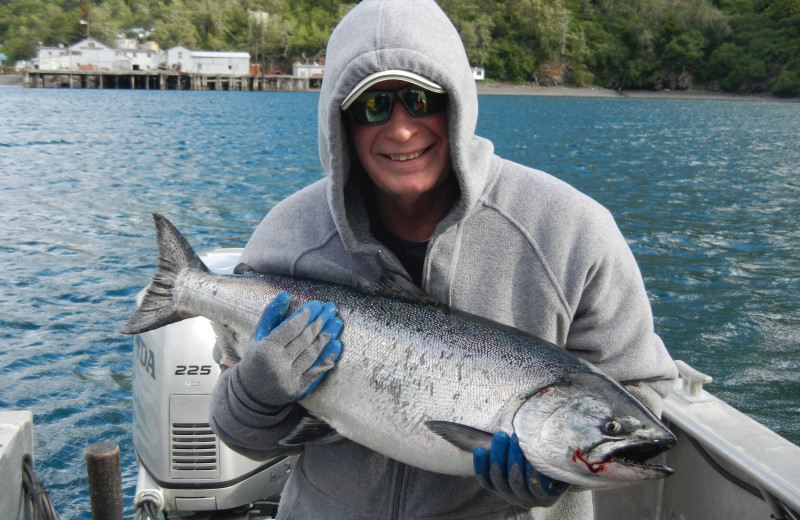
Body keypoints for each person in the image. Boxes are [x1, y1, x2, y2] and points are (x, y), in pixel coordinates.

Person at [209, 0, 678, 518]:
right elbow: (244, 439)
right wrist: (257, 390)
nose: (402, 129)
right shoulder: (286, 238)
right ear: (340, 121)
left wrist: (556, 483)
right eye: (373, 106)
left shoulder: (571, 233)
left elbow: (641, 390)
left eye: (420, 98)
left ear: (456, 103)